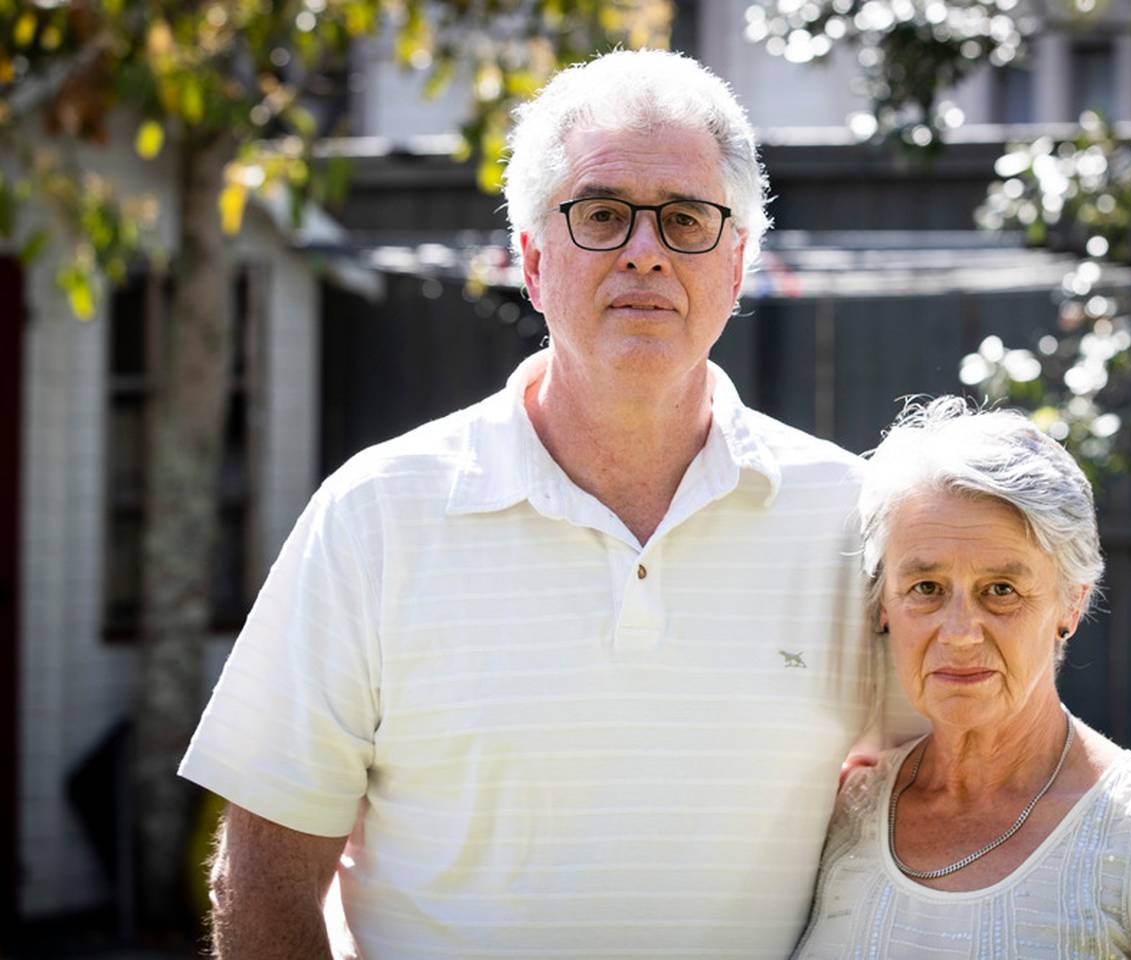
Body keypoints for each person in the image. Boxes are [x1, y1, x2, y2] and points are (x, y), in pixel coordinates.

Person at [180, 51, 914, 958]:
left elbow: (973, 784)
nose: (645, 250)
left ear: (735, 269)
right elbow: (262, 880)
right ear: (531, 262)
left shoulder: (852, 518)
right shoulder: (377, 514)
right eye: (602, 214)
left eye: (686, 220)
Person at [792, 398, 1131, 959]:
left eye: (1001, 590)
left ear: (1071, 604)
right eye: (926, 589)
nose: (960, 633)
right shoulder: (844, 810)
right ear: (882, 605)